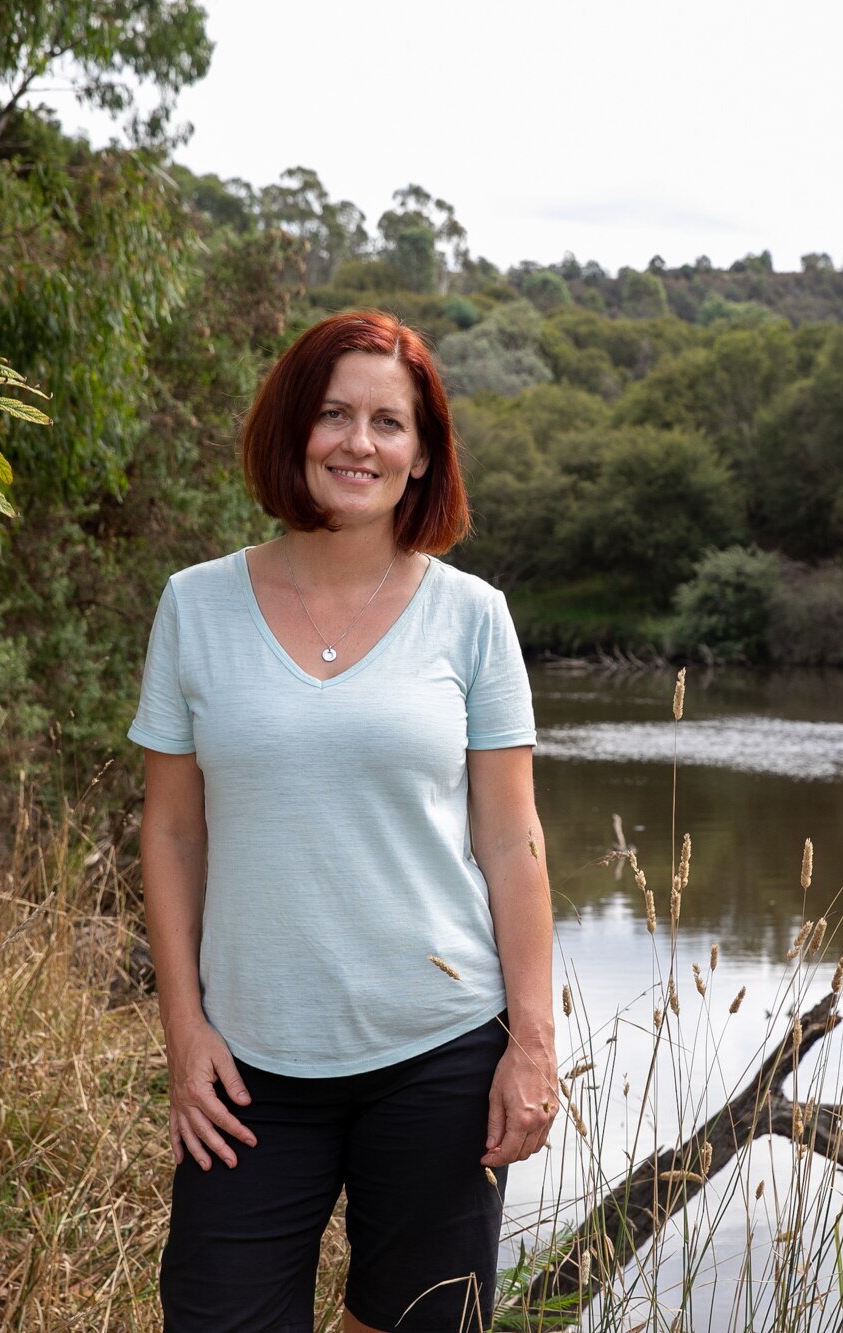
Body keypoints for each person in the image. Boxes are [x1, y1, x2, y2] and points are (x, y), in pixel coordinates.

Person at [130, 310, 556, 1333]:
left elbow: (511, 841)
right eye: (332, 414)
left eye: (387, 422)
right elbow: (171, 833)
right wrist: (183, 1030)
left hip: (441, 1048)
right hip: (247, 1062)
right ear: (292, 431)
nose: (358, 442)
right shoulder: (196, 606)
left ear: (421, 456)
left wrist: (532, 1045)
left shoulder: (471, 616)